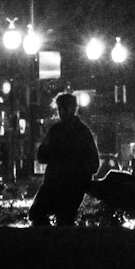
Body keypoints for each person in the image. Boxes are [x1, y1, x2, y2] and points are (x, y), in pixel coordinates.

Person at [29, 91, 100, 227]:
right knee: (36, 213)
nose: (62, 112)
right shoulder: (56, 131)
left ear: (74, 109)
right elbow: (42, 156)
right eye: (60, 109)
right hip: (54, 183)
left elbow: (93, 164)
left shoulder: (82, 133)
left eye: (65, 109)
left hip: (71, 187)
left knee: (64, 218)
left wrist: (78, 175)